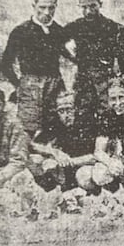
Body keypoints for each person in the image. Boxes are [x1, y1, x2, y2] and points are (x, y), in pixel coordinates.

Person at [2, 0, 69, 136]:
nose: (47, 12)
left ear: (56, 7)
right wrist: (19, 85)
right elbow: (6, 63)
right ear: (34, 6)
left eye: (51, 8)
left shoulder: (60, 31)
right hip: (30, 85)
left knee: (55, 125)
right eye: (42, 7)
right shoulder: (20, 31)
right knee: (28, 128)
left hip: (54, 84)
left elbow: (73, 58)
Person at [30, 56, 99, 194]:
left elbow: (95, 156)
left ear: (77, 108)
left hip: (85, 168)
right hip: (65, 171)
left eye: (69, 109)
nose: (65, 114)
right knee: (38, 161)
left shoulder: (89, 123)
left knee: (84, 177)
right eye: (61, 110)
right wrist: (55, 152)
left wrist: (70, 161)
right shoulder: (56, 124)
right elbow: (33, 144)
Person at [64, 0, 120, 114]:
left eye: (93, 6)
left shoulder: (112, 26)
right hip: (83, 79)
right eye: (84, 7)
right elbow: (57, 42)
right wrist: (72, 57)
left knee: (107, 112)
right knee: (83, 114)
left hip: (105, 79)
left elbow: (122, 48)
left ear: (101, 4)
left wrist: (116, 63)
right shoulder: (75, 26)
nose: (88, 11)